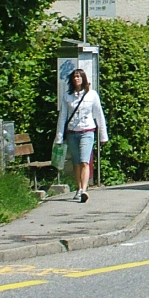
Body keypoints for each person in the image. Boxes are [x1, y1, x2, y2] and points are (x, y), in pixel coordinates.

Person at [55, 68, 108, 203]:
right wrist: (59, 137)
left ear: (84, 79)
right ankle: (78, 188)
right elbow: (62, 117)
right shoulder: (68, 96)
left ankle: (84, 190)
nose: (76, 79)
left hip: (87, 131)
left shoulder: (92, 95)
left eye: (79, 76)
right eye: (74, 77)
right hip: (72, 132)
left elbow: (99, 115)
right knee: (76, 162)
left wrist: (103, 136)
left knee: (85, 161)